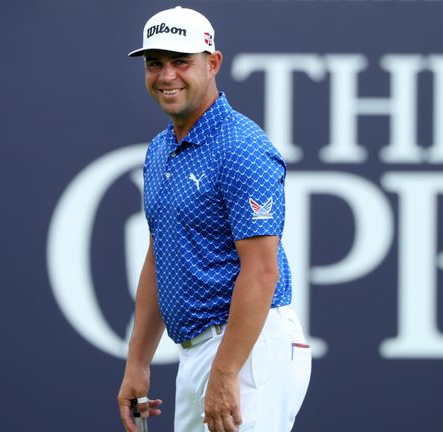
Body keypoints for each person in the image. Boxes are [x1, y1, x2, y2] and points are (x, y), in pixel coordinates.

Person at [117, 6, 312, 432]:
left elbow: (261, 272)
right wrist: (138, 362)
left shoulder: (243, 147)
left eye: (181, 62)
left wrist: (226, 373)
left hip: (250, 350)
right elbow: (161, 253)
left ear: (213, 63)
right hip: (198, 352)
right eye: (155, 64)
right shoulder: (159, 149)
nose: (167, 76)